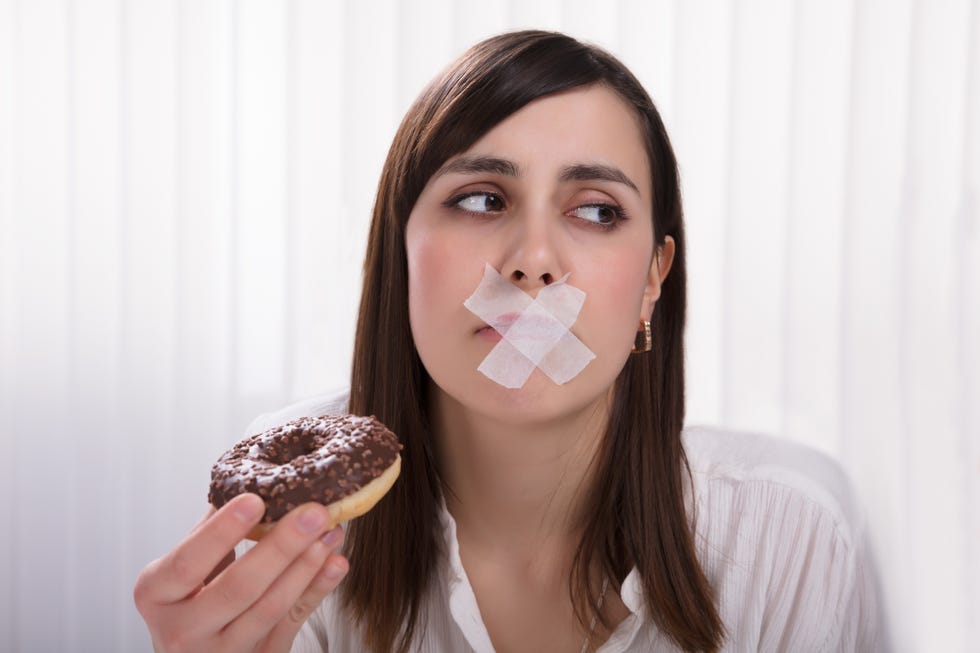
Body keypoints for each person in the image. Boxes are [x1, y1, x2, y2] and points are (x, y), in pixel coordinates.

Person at [134, 30, 887, 652]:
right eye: (482, 199)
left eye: (595, 211)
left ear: (653, 278)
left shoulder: (793, 535)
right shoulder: (302, 524)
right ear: (402, 250)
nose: (533, 259)